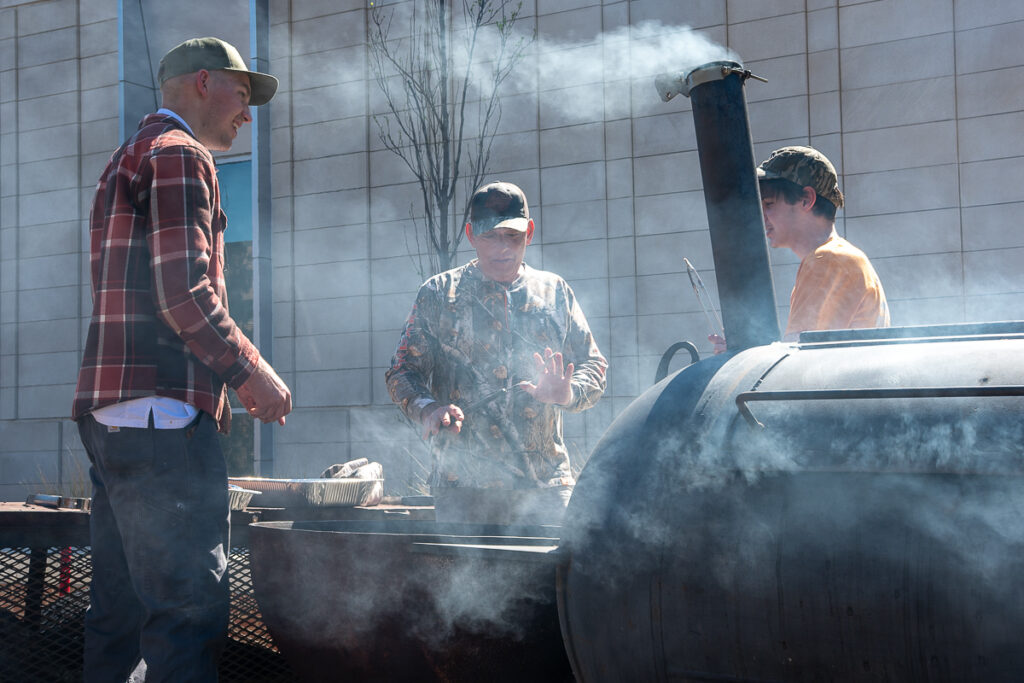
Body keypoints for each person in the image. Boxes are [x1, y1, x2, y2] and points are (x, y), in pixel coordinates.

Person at [71, 37, 291, 682]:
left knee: (119, 613)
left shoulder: (129, 156)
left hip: (115, 418)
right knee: (187, 612)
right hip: (163, 417)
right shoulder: (180, 156)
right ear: (202, 83)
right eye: (241, 95)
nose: (246, 114)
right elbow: (184, 292)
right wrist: (253, 372)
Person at [385, 181, 607, 525]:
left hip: (545, 485)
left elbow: (593, 366)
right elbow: (402, 371)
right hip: (463, 488)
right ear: (471, 235)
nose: (502, 248)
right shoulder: (440, 294)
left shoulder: (555, 293)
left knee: (559, 576)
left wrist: (569, 392)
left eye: (512, 236)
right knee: (458, 577)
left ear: (529, 233)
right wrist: (429, 409)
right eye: (490, 236)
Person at [711, 145, 889, 351]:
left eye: (769, 204)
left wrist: (744, 355)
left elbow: (797, 359)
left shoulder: (829, 259)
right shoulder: (837, 257)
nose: (761, 217)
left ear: (806, 200)